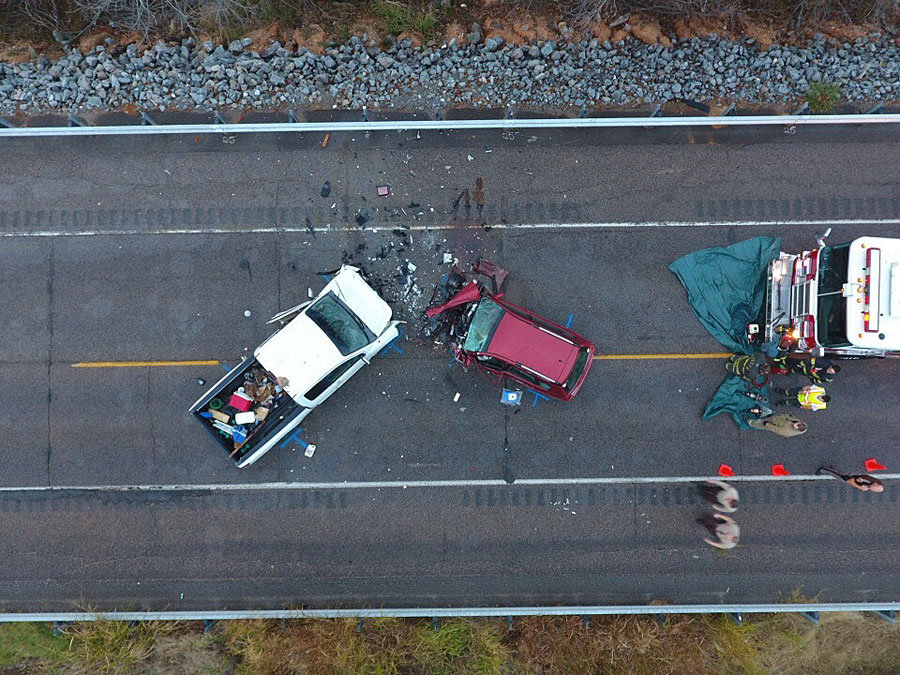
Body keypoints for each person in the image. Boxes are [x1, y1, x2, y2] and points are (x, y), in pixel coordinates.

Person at [816, 466, 884, 492]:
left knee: (839, 472)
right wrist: (859, 487)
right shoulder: (865, 479)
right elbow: (850, 481)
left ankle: (832, 468)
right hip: (851, 477)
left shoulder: (877, 484)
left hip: (856, 479)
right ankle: (824, 469)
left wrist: (863, 488)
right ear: (876, 484)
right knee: (838, 476)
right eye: (871, 488)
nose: (870, 488)